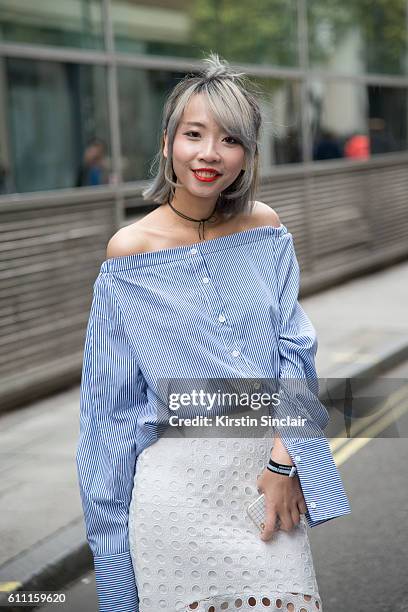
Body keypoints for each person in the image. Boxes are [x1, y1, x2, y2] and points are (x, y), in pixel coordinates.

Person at [76, 53, 351, 612]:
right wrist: (110, 548)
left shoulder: (267, 229)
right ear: (167, 142)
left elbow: (294, 356)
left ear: (248, 154)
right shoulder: (128, 253)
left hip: (264, 483)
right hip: (173, 495)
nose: (209, 154)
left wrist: (283, 462)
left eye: (230, 139)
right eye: (194, 134)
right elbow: (108, 409)